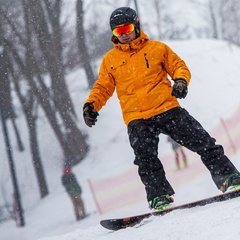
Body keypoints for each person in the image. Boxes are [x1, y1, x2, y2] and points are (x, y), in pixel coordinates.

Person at [83, 7, 240, 211]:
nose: (124, 35)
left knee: (202, 141)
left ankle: (227, 177)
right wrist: (91, 105)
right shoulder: (110, 61)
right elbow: (103, 87)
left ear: (137, 25)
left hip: (166, 107)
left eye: (128, 29)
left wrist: (181, 81)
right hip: (137, 117)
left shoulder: (157, 48)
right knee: (146, 160)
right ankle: (159, 197)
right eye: (118, 32)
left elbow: (178, 66)